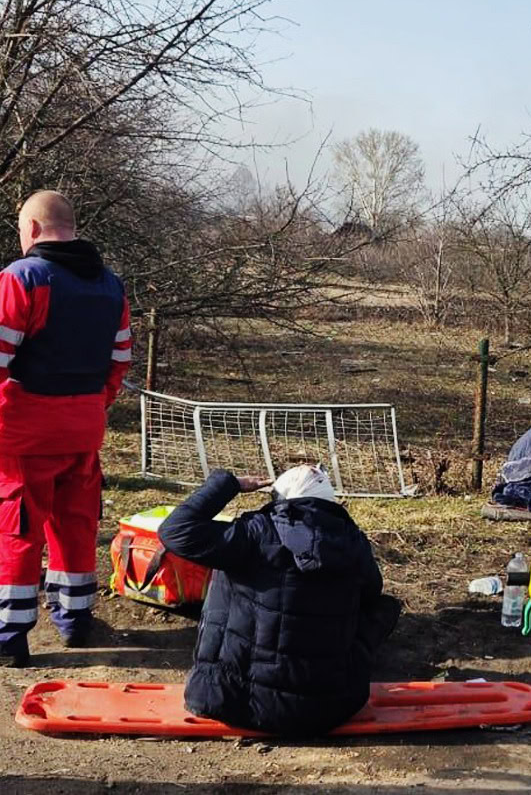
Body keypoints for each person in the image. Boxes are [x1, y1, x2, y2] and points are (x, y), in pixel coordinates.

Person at [158, 465, 399, 736]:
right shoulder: (354, 543)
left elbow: (175, 530)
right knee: (384, 606)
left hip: (229, 702)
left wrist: (227, 484)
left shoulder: (254, 533)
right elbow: (371, 595)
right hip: (329, 710)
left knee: (227, 567)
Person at [0, 191, 131, 667]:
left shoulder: (22, 279)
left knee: (18, 526)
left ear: (32, 230)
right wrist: (93, 405)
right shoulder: (112, 286)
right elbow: (119, 362)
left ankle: (9, 633)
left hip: (23, 431)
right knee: (76, 522)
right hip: (83, 428)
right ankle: (74, 618)